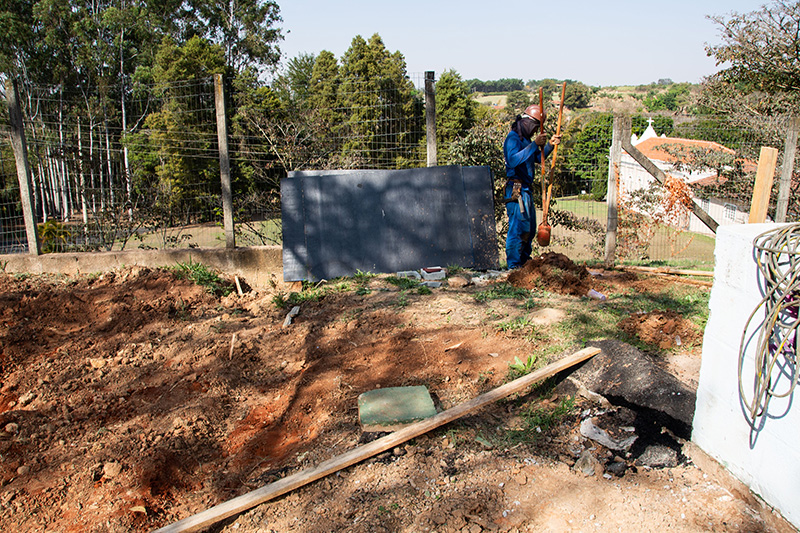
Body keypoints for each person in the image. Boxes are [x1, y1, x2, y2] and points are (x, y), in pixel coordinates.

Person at [502, 104, 560, 269]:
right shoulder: (513, 138)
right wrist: (535, 144)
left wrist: (549, 145)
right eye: (535, 127)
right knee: (517, 229)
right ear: (526, 122)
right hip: (516, 189)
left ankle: (525, 264)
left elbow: (536, 157)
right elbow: (513, 160)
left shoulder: (526, 140)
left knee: (529, 229)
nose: (535, 131)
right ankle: (513, 266)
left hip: (526, 190)